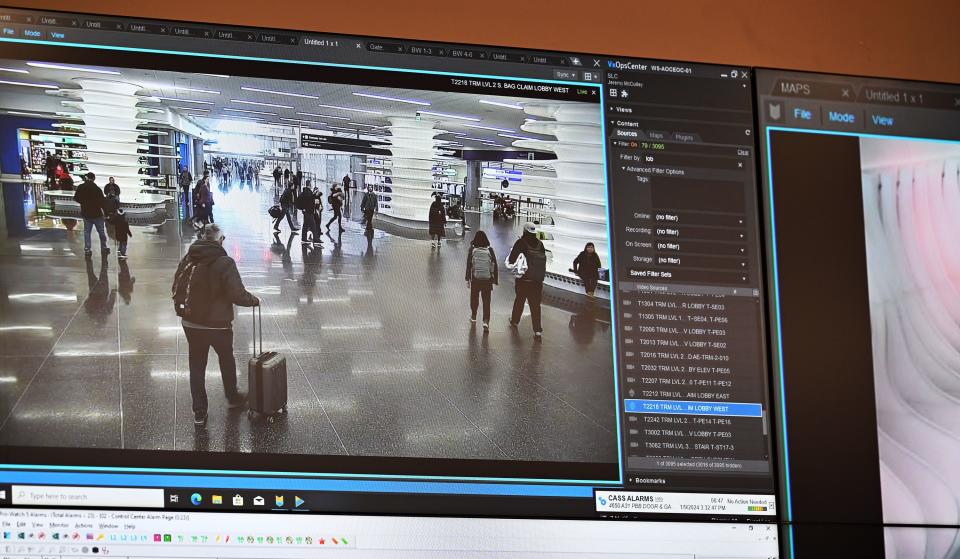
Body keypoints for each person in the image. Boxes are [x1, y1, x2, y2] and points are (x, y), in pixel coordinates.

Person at [173, 224, 260, 426]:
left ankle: (199, 411)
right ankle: (232, 397)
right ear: (220, 240)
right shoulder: (224, 262)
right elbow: (237, 294)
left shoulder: (189, 257)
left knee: (196, 365)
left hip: (191, 322)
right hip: (217, 325)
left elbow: (177, 284)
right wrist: (254, 300)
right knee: (226, 358)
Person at [508, 222, 547, 340]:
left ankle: (514, 321)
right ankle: (537, 331)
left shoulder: (521, 243)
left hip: (524, 279)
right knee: (535, 306)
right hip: (537, 281)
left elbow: (512, 259)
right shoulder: (540, 244)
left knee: (519, 300)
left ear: (525, 231)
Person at [465, 230, 498, 330]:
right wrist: (495, 279)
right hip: (487, 279)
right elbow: (494, 265)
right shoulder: (490, 250)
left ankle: (474, 316)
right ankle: (486, 321)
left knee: (474, 298)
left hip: (476, 278)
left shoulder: (472, 249)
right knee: (486, 301)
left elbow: (469, 265)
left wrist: (468, 278)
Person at [73, 172, 109, 257]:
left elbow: (76, 198)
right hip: (97, 214)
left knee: (87, 232)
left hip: (86, 213)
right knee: (101, 231)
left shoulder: (81, 187)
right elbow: (102, 202)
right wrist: (106, 213)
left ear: (86, 178)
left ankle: (87, 249)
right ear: (94, 179)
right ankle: (104, 247)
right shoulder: (97, 189)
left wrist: (83, 203)